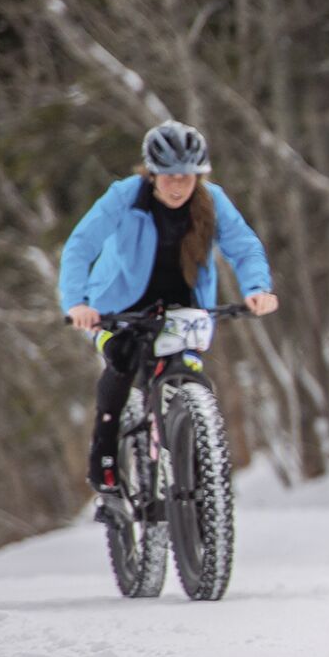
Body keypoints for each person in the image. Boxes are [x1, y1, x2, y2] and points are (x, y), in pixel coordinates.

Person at [60, 120, 279, 495]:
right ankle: (105, 461)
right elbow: (81, 245)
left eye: (187, 177)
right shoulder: (125, 196)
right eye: (168, 177)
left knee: (191, 369)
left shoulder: (212, 200)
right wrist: (77, 302)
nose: (178, 185)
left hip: (183, 304)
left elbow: (244, 246)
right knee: (123, 360)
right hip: (116, 308)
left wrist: (258, 288)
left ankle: (196, 458)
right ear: (151, 174)